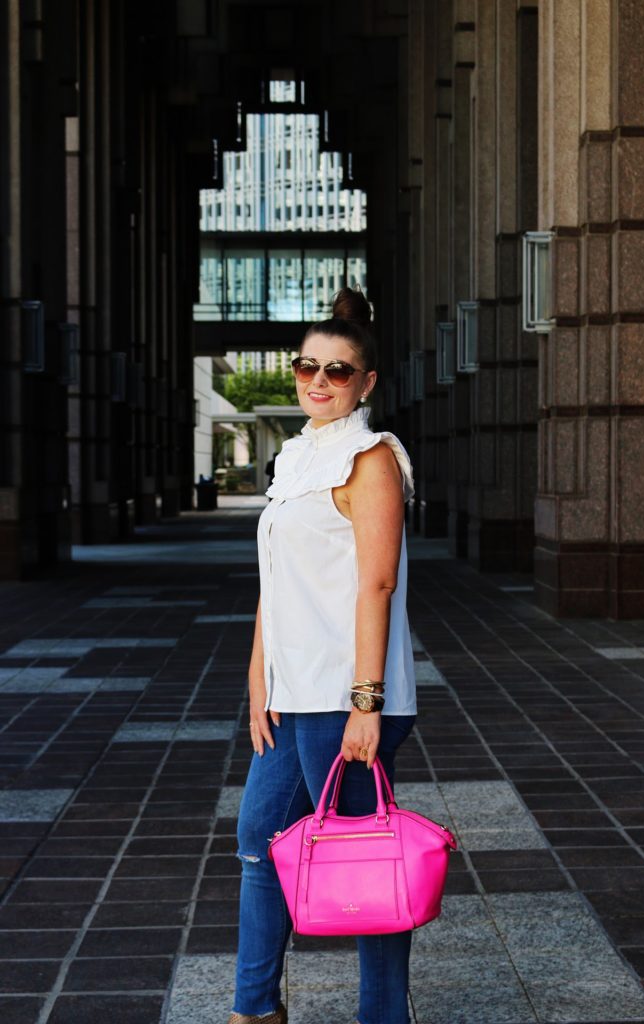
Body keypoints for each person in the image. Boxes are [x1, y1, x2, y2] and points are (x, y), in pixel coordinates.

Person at [229, 287, 417, 1024]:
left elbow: (376, 583)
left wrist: (365, 704)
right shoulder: (297, 457)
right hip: (291, 689)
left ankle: (381, 1017)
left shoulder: (368, 459)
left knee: (363, 864)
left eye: (338, 371)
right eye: (308, 366)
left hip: (343, 695)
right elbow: (276, 581)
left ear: (365, 382)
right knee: (258, 842)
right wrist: (257, 676)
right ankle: (254, 1009)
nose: (318, 381)